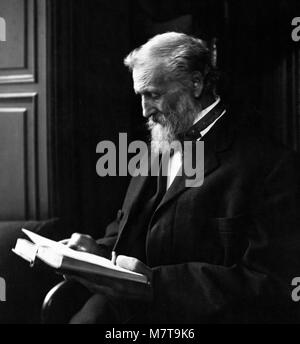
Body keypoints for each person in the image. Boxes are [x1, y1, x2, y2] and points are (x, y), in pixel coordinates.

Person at [58, 32, 300, 323]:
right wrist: (95, 253)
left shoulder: (270, 165)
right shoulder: (157, 145)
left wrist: (154, 284)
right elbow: (128, 231)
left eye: (154, 94)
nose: (145, 110)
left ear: (195, 84)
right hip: (124, 313)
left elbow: (269, 283)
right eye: (141, 96)